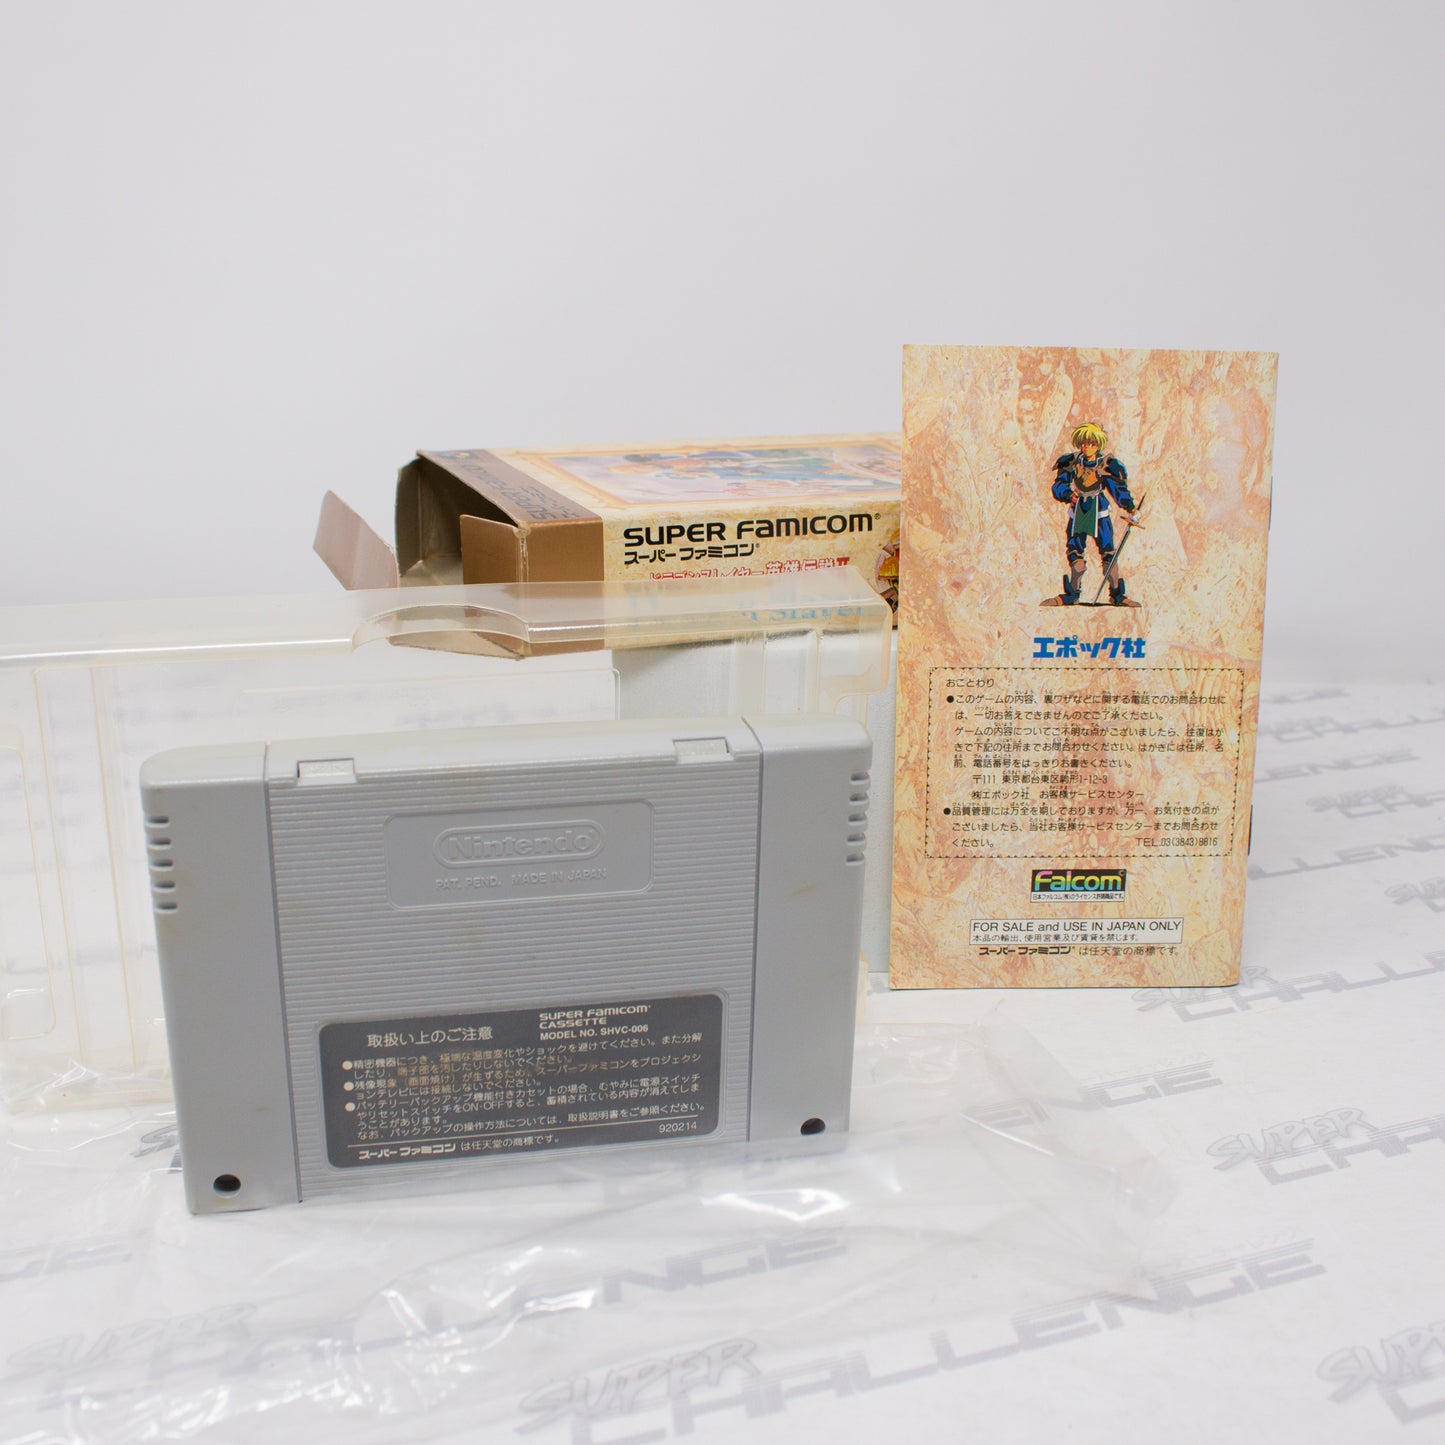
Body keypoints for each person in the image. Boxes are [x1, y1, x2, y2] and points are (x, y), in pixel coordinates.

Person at [1049, 423, 1139, 606]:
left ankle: (1117, 595)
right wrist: (1068, 494)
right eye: (1084, 443)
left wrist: (1129, 507)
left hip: (1099, 512)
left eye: (1091, 443)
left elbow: (1117, 489)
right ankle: (1072, 593)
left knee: (1108, 552)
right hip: (1078, 510)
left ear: (1098, 445)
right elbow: (1059, 485)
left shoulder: (1106, 465)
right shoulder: (1072, 462)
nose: (1086, 447)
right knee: (1075, 552)